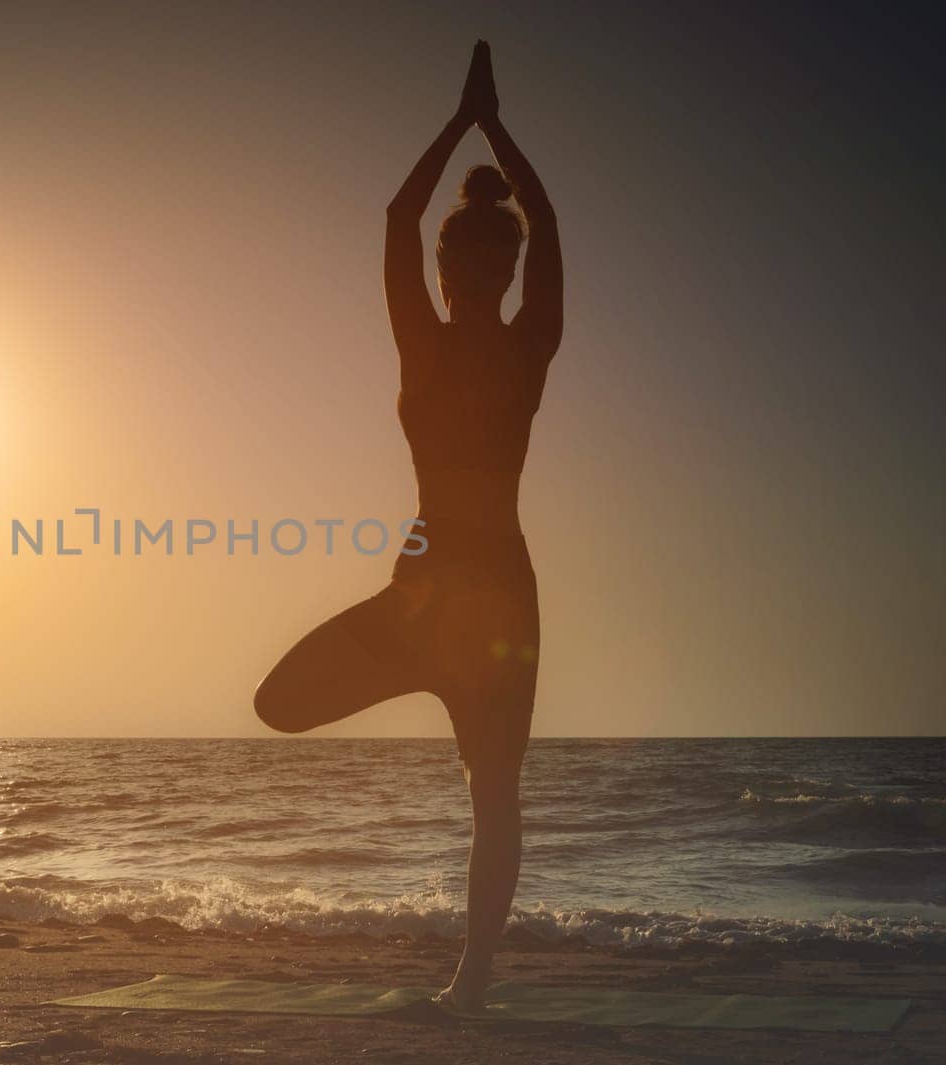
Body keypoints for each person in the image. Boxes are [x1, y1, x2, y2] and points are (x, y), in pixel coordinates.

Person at [253, 39, 562, 1012]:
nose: (482, 267)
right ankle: (429, 677)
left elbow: (475, 215)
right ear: (461, 265)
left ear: (490, 267)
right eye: (474, 254)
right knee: (287, 706)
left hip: (461, 579)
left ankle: (471, 976)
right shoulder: (482, 345)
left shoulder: (481, 346)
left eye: (491, 254)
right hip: (453, 578)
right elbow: (465, 214)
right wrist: (481, 124)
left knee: (493, 785)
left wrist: (475, 124)